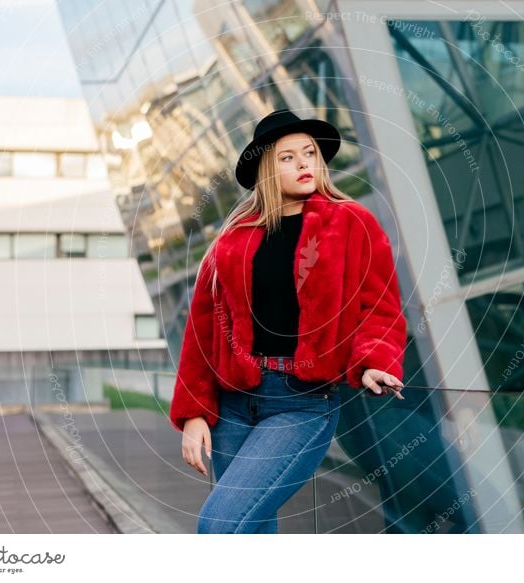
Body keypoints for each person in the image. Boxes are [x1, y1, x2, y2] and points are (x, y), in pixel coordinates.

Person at [169, 108, 408, 533]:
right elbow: (202, 331)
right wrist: (194, 414)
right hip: (234, 404)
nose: (303, 163)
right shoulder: (234, 237)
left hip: (301, 402)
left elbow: (380, 306)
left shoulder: (352, 223)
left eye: (310, 153)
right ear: (266, 169)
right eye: (287, 157)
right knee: (253, 532)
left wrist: (375, 361)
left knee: (219, 524)